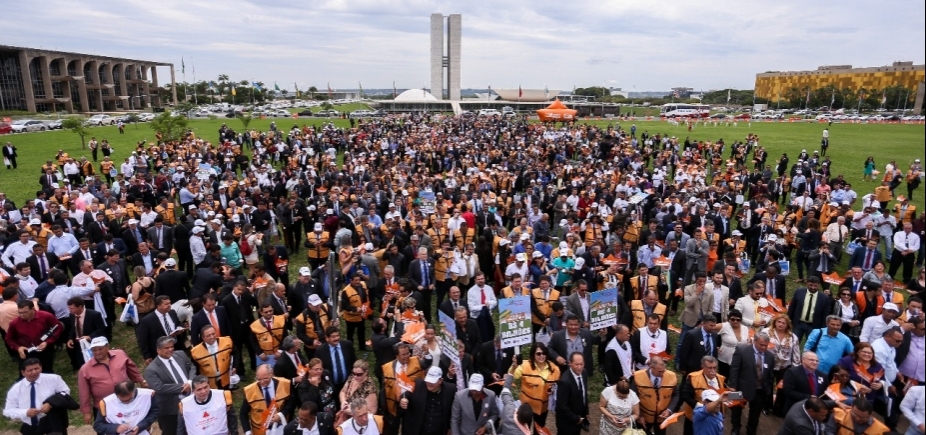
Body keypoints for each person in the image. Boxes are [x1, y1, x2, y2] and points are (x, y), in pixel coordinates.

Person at [77, 337, 146, 425]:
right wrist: (86, 411)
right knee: (107, 430)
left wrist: (142, 381)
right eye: (94, 350)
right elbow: (84, 392)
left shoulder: (120, 354)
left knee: (132, 426)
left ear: (107, 347)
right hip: (103, 406)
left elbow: (132, 369)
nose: (97, 352)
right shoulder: (85, 369)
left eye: (100, 349)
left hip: (127, 401)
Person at [2, 358, 72, 435]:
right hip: (30, 425)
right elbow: (8, 410)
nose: (34, 372)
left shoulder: (54, 379)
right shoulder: (16, 389)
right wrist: (25, 412)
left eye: (36, 368)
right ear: (23, 372)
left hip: (52, 422)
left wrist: (51, 403)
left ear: (41, 368)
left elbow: (65, 392)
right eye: (30, 370)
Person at [143, 336, 196, 435]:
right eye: (166, 348)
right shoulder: (151, 369)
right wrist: (183, 387)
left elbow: (192, 367)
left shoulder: (180, 354)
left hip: (191, 401)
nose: (170, 349)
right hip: (170, 409)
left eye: (171, 346)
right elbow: (160, 387)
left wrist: (190, 382)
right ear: (158, 350)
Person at [727, 332, 775, 435]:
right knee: (736, 410)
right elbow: (735, 369)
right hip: (741, 387)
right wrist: (732, 386)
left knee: (755, 413)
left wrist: (768, 389)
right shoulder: (742, 350)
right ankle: (735, 427)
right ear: (754, 341)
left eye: (766, 345)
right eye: (761, 344)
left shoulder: (770, 356)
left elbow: (770, 374)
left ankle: (751, 430)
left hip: (760, 389)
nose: (763, 347)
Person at [381, 342, 429, 435]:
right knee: (392, 429)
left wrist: (427, 354)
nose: (407, 356)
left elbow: (427, 363)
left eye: (408, 353)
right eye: (403, 354)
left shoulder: (416, 361)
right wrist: (384, 407)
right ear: (396, 356)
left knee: (409, 428)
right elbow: (384, 388)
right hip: (394, 404)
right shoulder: (387, 368)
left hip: (412, 404)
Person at [509, 342, 560, 426]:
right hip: (526, 407)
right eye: (538, 354)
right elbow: (513, 376)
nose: (541, 356)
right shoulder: (525, 365)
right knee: (525, 429)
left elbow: (557, 386)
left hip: (542, 409)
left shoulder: (555, 369)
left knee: (539, 429)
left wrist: (553, 391)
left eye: (544, 353)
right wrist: (514, 366)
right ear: (533, 354)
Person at [4, 300, 63, 372]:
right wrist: (18, 348)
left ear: (32, 309)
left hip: (45, 350)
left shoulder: (46, 316)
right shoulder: (15, 323)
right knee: (27, 373)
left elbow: (58, 328)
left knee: (47, 371)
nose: (22, 315)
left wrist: (48, 342)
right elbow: (9, 338)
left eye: (25, 312)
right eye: (20, 313)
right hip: (26, 352)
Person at [397, 366, 456, 435]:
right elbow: (406, 394)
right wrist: (404, 399)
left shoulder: (450, 390)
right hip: (418, 430)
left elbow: (453, 412)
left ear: (440, 381)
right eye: (428, 381)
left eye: (432, 381)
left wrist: (450, 427)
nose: (429, 384)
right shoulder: (418, 384)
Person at [240, 364, 296, 435]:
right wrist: (248, 432)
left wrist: (281, 414)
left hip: (280, 426)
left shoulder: (284, 384)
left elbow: (291, 401)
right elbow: (243, 413)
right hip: (260, 430)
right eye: (259, 379)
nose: (262, 382)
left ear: (271, 374)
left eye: (265, 378)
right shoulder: (250, 391)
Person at [628, 356, 678, 435]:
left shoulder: (671, 376)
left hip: (661, 417)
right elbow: (632, 397)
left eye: (663, 370)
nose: (662, 374)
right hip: (644, 417)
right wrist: (639, 415)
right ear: (651, 367)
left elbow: (676, 395)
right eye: (659, 371)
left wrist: (669, 410)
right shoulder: (638, 376)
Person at [679, 356, 726, 435]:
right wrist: (701, 407)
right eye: (709, 368)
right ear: (702, 367)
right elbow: (685, 396)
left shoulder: (720, 378)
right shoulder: (693, 377)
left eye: (715, 368)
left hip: (714, 417)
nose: (713, 371)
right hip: (695, 416)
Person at [778, 351, 828, 415]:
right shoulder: (792, 372)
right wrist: (809, 397)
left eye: (817, 361)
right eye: (811, 360)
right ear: (803, 360)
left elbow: (825, 393)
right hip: (796, 410)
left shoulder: (823, 376)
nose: (815, 362)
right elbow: (788, 391)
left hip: (815, 413)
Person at [190, 324, 235, 389]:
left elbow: (235, 352)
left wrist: (235, 366)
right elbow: (195, 367)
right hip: (209, 383)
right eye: (208, 335)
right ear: (203, 338)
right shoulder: (195, 352)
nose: (212, 337)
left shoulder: (226, 341)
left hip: (226, 378)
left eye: (213, 334)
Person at [787, 277, 833, 342]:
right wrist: (788, 320)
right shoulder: (799, 292)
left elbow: (825, 314)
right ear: (807, 284)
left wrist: (823, 328)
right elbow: (792, 307)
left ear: (819, 285)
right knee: (793, 343)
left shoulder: (824, 298)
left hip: (814, 326)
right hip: (798, 323)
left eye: (815, 286)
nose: (813, 287)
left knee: (811, 345)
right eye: (811, 285)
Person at [555, 352, 590, 435]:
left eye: (581, 364)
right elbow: (562, 405)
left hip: (579, 417)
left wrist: (585, 412)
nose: (579, 367)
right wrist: (576, 419)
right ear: (570, 363)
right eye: (576, 364)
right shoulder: (565, 381)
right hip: (567, 423)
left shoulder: (584, 373)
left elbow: (583, 393)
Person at [316, 326, 357, 395]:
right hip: (331, 385)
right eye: (333, 337)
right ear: (327, 338)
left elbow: (354, 361)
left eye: (338, 335)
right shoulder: (320, 351)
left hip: (347, 384)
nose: (336, 338)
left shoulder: (347, 345)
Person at [825, 397, 890, 435]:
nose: (858, 419)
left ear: (871, 415)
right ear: (851, 408)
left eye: (863, 417)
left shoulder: (882, 430)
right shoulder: (839, 414)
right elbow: (829, 431)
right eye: (854, 414)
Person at [250, 302, 287, 367]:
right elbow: (253, 341)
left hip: (278, 353)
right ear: (261, 313)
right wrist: (260, 353)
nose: (269, 313)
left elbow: (285, 337)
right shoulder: (254, 326)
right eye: (266, 312)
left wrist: (280, 351)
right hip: (265, 356)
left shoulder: (281, 320)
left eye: (270, 311)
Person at [716, 309, 751, 377]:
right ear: (729, 319)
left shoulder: (745, 328)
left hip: (741, 359)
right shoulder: (724, 326)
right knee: (724, 379)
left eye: (738, 320)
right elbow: (708, 329)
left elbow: (748, 341)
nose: (735, 321)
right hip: (725, 359)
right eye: (733, 319)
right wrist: (714, 345)